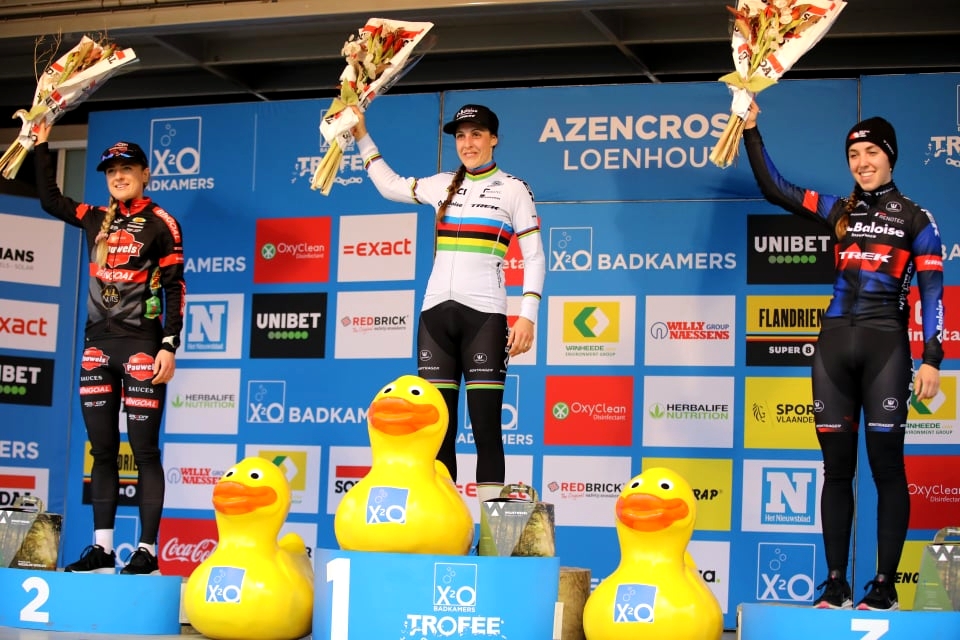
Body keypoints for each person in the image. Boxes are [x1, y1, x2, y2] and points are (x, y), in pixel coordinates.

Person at [742, 102, 944, 611]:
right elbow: (775, 188)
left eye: (871, 151)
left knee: (886, 468)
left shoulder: (917, 218)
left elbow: (933, 291)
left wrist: (933, 357)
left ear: (890, 157)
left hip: (886, 347)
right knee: (835, 469)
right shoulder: (839, 209)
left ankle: (883, 584)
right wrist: (751, 129)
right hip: (833, 344)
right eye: (854, 154)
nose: (862, 161)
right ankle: (835, 581)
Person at [350, 104, 546, 506]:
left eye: (476, 134)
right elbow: (389, 185)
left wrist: (527, 315)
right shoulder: (441, 183)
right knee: (440, 429)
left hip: (485, 319)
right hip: (435, 317)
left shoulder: (513, 188)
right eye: (460, 136)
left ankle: (493, 536)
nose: (468, 143)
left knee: (486, 427)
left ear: (494, 139)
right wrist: (360, 136)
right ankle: (449, 526)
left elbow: (536, 256)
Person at [33, 122, 186, 575]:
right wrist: (42, 144)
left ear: (145, 174)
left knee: (144, 452)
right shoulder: (93, 216)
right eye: (111, 170)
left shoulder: (162, 223)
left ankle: (146, 552)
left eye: (127, 169)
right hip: (96, 349)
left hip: (142, 347)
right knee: (101, 450)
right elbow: (49, 200)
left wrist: (169, 344)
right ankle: (101, 550)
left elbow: (175, 287)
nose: (118, 176)